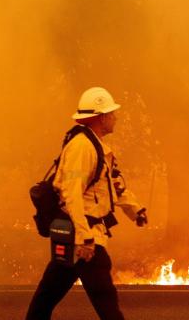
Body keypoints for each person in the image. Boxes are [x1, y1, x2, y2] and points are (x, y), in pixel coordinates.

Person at [26, 87, 147, 320]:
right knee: (106, 302)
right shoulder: (82, 147)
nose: (115, 118)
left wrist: (136, 210)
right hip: (84, 238)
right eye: (111, 113)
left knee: (47, 295)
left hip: (75, 236)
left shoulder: (96, 146)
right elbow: (71, 194)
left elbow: (112, 187)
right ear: (101, 118)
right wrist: (84, 238)